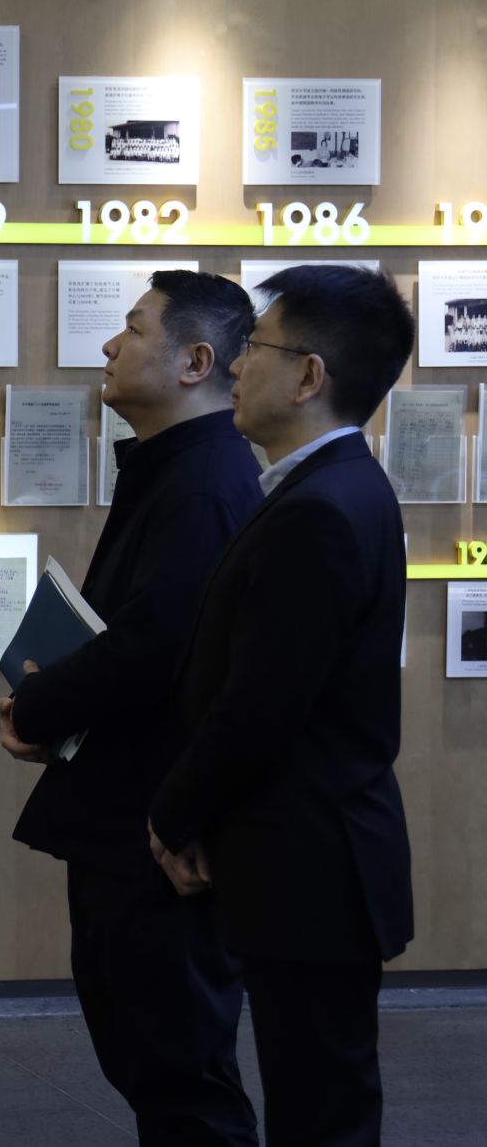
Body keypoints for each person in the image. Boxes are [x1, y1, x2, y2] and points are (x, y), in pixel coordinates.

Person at [148, 264, 415, 1147]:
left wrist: (173, 814)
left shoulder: (322, 509)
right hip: (310, 861)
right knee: (319, 1096)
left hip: (312, 866)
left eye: (256, 346)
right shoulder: (328, 488)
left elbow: (260, 703)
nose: (236, 366)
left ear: (309, 376)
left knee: (321, 1109)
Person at [0, 271, 263, 1146]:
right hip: (131, 818)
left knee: (183, 1078)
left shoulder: (205, 482)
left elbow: (155, 646)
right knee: (155, 1066)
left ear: (196, 361)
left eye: (135, 328)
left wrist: (40, 703)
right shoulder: (177, 471)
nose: (111, 346)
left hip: (159, 831)